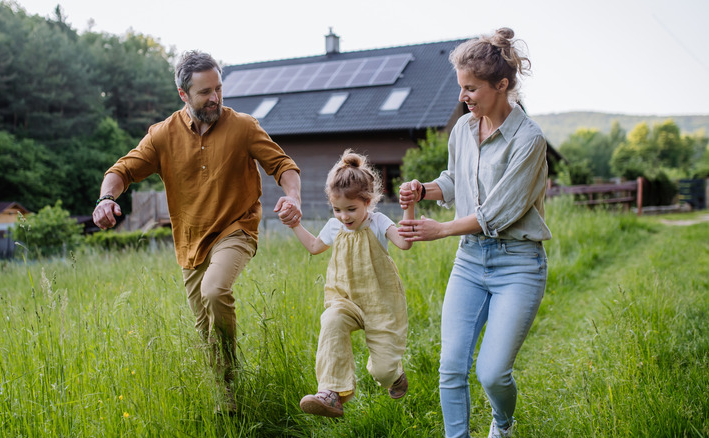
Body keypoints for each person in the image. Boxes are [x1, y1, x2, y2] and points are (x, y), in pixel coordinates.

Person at [92, 50, 302, 415]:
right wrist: (106, 199)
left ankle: (231, 375)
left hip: (237, 228)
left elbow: (283, 165)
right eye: (205, 92)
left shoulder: (244, 126)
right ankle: (229, 394)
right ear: (183, 94)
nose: (216, 98)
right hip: (190, 242)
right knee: (205, 330)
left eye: (219, 88)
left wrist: (293, 196)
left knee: (215, 290)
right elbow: (121, 170)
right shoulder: (162, 136)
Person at [398, 28, 551, 438]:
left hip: (518, 264)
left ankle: (503, 424)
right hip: (470, 260)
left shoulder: (529, 140)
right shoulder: (464, 129)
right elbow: (453, 180)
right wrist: (425, 189)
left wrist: (441, 228)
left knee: (492, 372)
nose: (464, 96)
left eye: (471, 88)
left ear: (502, 85)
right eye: (461, 87)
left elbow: (498, 211)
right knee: (451, 367)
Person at [285, 149, 414, 418]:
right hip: (344, 301)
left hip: (381, 304)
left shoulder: (378, 222)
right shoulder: (335, 227)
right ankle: (331, 393)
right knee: (331, 321)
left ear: (368, 202)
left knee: (382, 372)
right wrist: (295, 223)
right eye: (337, 209)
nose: (344, 216)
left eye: (351, 209)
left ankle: (395, 375)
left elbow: (405, 243)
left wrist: (409, 207)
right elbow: (313, 246)